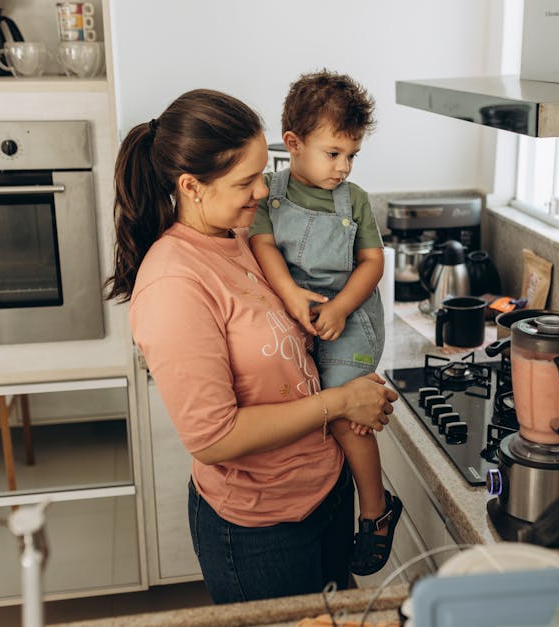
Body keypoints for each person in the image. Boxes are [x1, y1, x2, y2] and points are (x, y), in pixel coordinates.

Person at [105, 88, 399, 603]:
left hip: (326, 494)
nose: (263, 193)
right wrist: (341, 401)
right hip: (261, 529)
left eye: (263, 174)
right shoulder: (174, 283)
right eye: (246, 181)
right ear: (192, 186)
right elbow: (213, 438)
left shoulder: (237, 237)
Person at [249, 70, 401, 577]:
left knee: (342, 416)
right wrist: (291, 293)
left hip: (351, 318)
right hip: (301, 316)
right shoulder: (266, 194)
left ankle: (375, 513)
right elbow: (263, 246)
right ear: (293, 143)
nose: (343, 167)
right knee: (310, 411)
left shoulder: (353, 199)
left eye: (352, 155)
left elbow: (372, 265)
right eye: (333, 153)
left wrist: (336, 309)